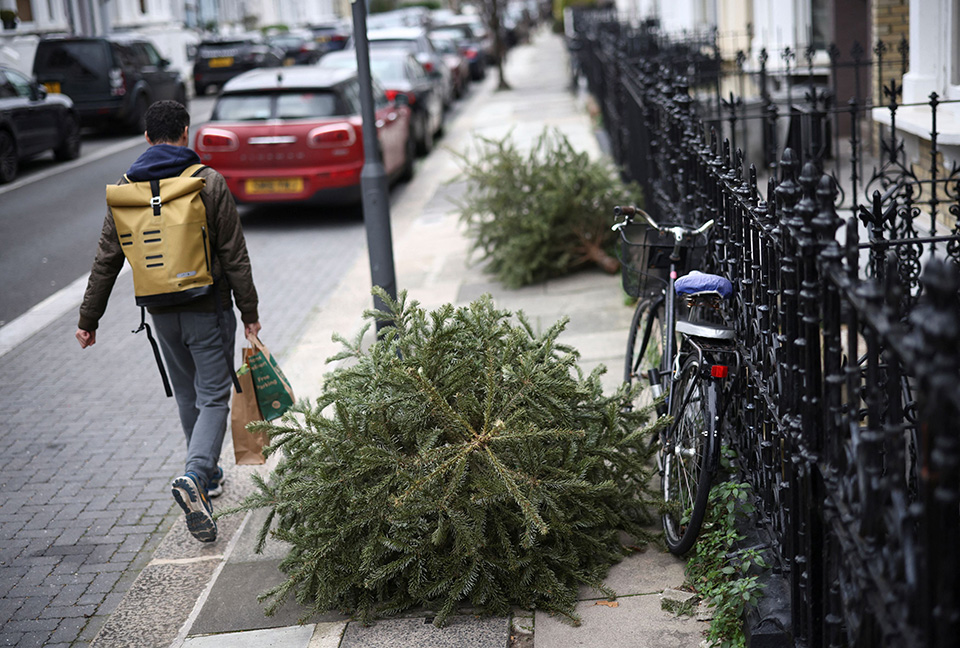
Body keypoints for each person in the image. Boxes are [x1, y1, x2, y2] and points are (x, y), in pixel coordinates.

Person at [75, 100, 260, 543]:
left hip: (160, 312)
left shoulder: (125, 190)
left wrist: (89, 319)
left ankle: (209, 479)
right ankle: (196, 475)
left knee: (187, 393)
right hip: (208, 308)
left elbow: (107, 259)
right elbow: (235, 255)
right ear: (185, 133)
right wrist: (249, 313)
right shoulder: (206, 182)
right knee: (215, 396)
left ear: (145, 139)